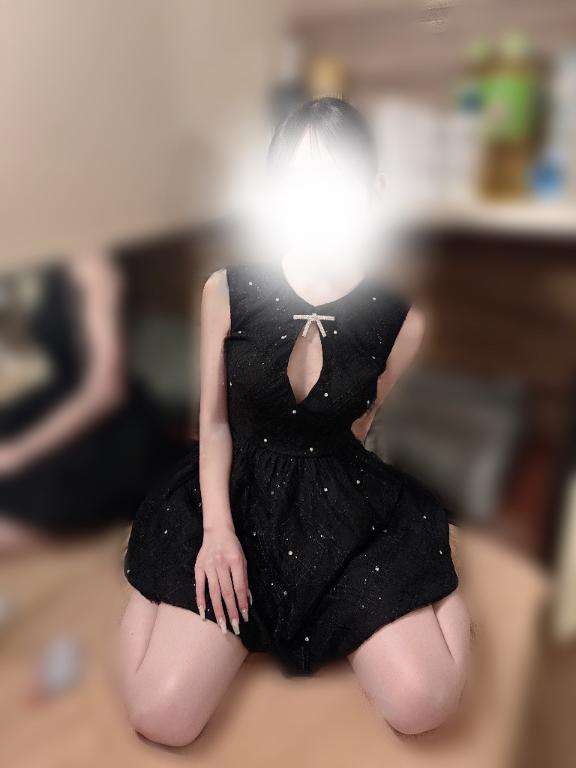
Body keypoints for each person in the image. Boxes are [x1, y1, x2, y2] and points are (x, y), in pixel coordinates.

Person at [119, 97, 471, 746]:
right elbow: (213, 425)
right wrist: (216, 532)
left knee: (424, 703)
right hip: (236, 493)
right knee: (160, 716)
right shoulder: (226, 289)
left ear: (372, 191)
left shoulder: (402, 319)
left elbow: (361, 422)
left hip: (339, 497)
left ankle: (438, 581)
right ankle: (152, 581)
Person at [0, 252, 168, 552]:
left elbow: (107, 389)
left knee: (22, 493)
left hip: (112, 425)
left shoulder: (95, 268)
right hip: (64, 397)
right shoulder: (52, 266)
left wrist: (18, 453)